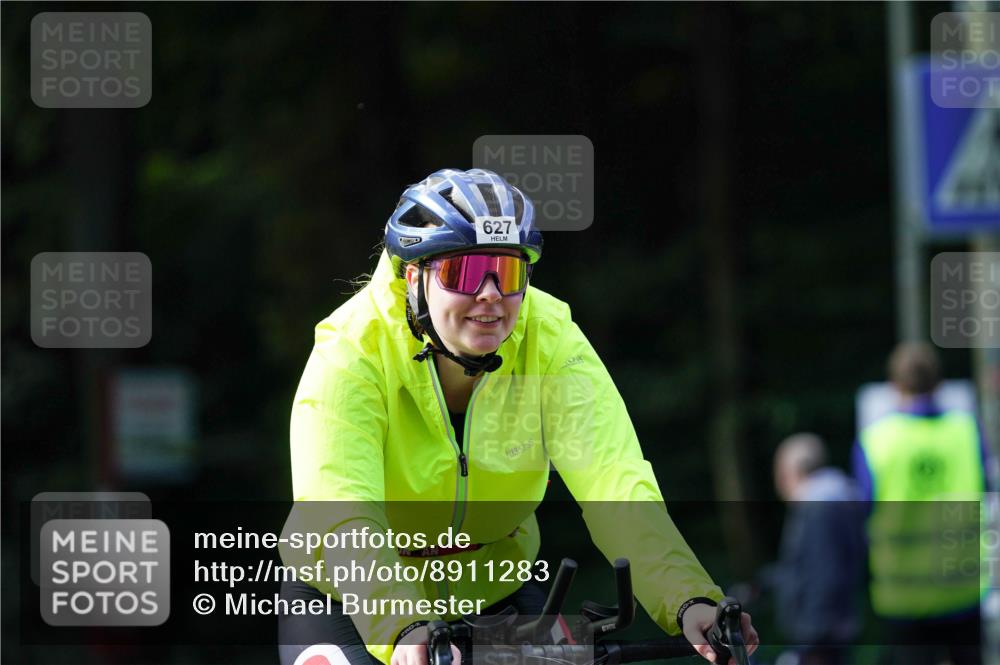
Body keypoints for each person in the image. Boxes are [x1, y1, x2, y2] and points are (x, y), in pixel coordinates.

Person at [277, 169, 759, 665]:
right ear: (414, 278)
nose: (490, 294)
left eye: (507, 274)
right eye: (464, 273)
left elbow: (613, 480)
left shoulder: (550, 339)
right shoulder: (351, 351)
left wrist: (688, 597)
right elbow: (341, 509)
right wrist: (403, 627)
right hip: (348, 595)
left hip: (494, 588)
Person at [852, 341, 993, 665]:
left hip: (903, 599)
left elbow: (863, 510)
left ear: (894, 385)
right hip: (963, 590)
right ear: (939, 382)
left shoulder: (876, 441)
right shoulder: (967, 431)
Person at [765, 433, 864, 665]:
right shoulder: (836, 498)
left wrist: (812, 638)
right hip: (835, 626)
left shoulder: (819, 508)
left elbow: (824, 572)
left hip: (820, 634)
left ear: (792, 472)